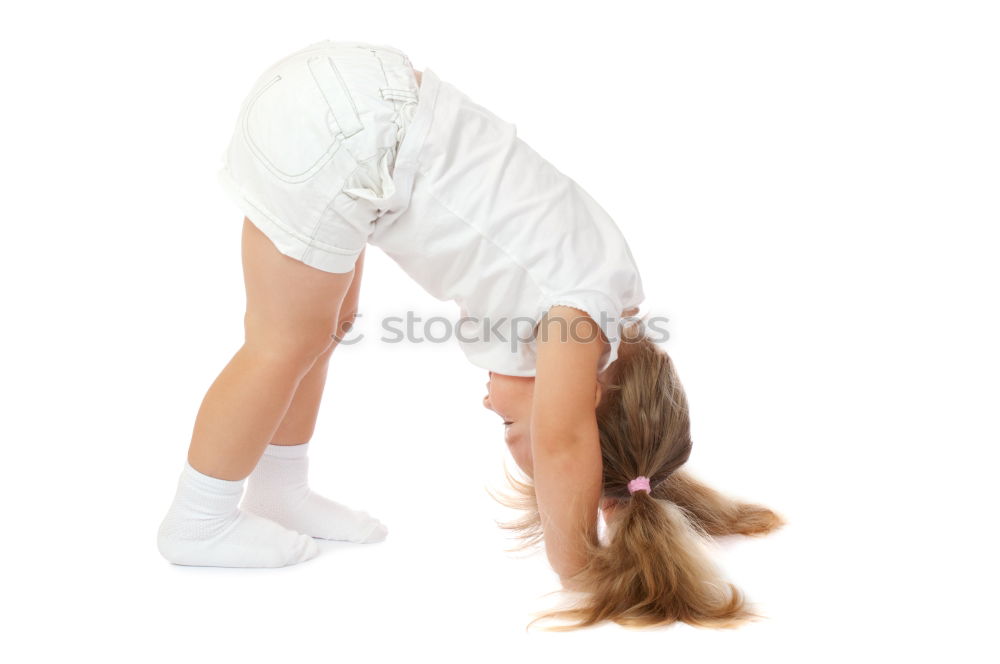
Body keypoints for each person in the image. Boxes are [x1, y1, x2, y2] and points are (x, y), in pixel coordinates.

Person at [156, 39, 783, 630]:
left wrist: (624, 498)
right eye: (511, 426)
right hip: (351, 135)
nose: (489, 405)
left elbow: (568, 430)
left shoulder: (608, 293)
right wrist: (579, 568)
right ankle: (198, 520)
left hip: (361, 105)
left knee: (323, 327)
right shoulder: (580, 323)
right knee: (281, 341)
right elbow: (563, 441)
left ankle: (278, 487)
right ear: (586, 398)